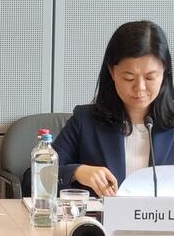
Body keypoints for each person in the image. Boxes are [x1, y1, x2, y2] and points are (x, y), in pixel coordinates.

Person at [53, 20, 174, 197]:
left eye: (150, 78)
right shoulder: (85, 120)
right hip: (102, 224)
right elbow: (33, 179)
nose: (140, 88)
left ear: (164, 72)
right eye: (129, 78)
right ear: (112, 72)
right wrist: (77, 171)